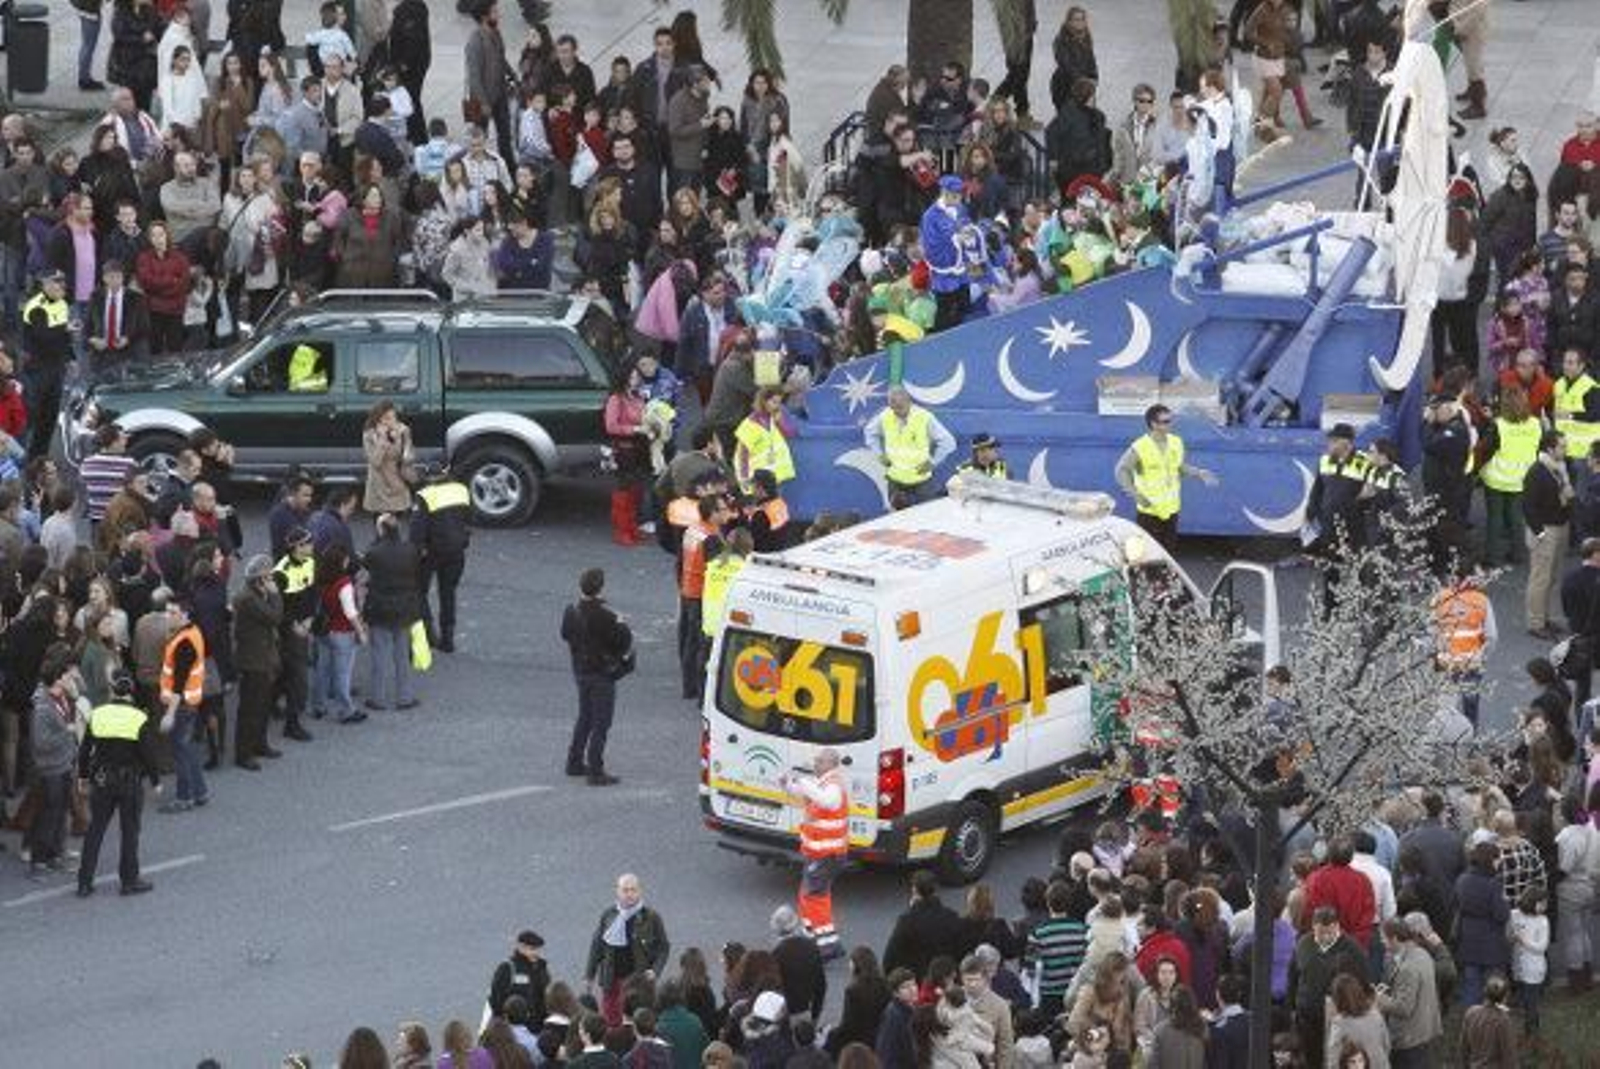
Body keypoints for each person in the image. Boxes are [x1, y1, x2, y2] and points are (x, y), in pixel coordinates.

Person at [75, 670, 159, 896]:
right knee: (129, 831)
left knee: (96, 830)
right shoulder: (139, 717)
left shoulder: (98, 714)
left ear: (112, 688)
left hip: (102, 780)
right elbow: (148, 754)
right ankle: (129, 881)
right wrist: (156, 780)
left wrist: (83, 777)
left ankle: (84, 882)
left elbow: (85, 751)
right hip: (129, 782)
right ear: (131, 690)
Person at [777, 748, 851, 963]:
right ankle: (813, 939)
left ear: (830, 763)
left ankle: (826, 946)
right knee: (810, 896)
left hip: (826, 854)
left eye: (819, 761)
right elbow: (807, 795)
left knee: (813, 897)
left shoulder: (833, 786)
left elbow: (826, 801)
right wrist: (788, 784)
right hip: (820, 853)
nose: (815, 763)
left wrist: (804, 782)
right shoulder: (822, 785)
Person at [561, 567, 632, 786]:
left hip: (580, 669)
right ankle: (595, 769)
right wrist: (621, 623)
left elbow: (565, 634)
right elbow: (623, 641)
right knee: (601, 722)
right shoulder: (606, 616)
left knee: (585, 716)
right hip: (601, 673)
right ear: (600, 588)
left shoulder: (571, 610)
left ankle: (574, 761)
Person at [1114, 404, 1218, 550]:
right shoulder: (1140, 447)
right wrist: (1135, 493)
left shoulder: (1176, 442)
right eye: (1165, 422)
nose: (1170, 425)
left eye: (1170, 420)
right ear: (1153, 424)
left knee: (1168, 551)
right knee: (1148, 553)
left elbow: (1179, 467)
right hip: (1149, 511)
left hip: (1171, 509)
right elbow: (1121, 470)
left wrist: (1199, 473)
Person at [1287, 907, 1369, 1068]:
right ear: (1313, 927)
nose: (1325, 937)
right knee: (1309, 1059)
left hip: (1339, 1021)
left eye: (1330, 932)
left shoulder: (1353, 949)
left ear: (1337, 926)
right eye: (1320, 933)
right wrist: (1291, 1007)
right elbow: (1293, 978)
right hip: (1306, 1018)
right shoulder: (1303, 944)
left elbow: (1363, 984)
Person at [586, 873, 671, 1027]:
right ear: (617, 892)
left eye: (633, 890)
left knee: (638, 1026)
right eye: (625, 890)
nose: (629, 894)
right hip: (612, 982)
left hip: (638, 985)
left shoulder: (651, 917)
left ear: (640, 891)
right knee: (610, 1024)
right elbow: (597, 946)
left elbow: (664, 947)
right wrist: (589, 975)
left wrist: (655, 971)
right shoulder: (608, 915)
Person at [363, 512, 422, 713]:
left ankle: (377, 698)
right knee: (401, 654)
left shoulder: (375, 552)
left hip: (380, 607)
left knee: (379, 654)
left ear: (381, 530)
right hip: (404, 607)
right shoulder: (410, 550)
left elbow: (367, 563)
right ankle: (404, 697)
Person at [411, 462, 472, 654]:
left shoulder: (425, 495)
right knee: (448, 593)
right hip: (456, 551)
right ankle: (448, 639)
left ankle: (429, 635)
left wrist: (415, 552)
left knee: (420, 592)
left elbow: (417, 530)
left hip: (431, 552)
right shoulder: (461, 490)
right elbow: (469, 519)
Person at [865, 386, 957, 509]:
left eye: (900, 406)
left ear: (909, 401)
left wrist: (933, 462)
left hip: (921, 483)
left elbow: (949, 442)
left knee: (924, 520)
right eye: (893, 407)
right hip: (896, 482)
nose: (897, 411)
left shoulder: (924, 417)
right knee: (898, 521)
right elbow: (869, 433)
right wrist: (879, 454)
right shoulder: (885, 416)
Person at [232, 554, 281, 771]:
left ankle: (259, 744)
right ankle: (243, 753)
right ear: (259, 579)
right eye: (268, 576)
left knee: (262, 705)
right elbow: (274, 617)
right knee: (250, 709)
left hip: (263, 658)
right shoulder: (249, 599)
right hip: (253, 661)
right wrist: (275, 596)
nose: (271, 580)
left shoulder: (254, 594)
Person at [158, 600, 209, 812]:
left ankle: (184, 797)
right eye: (167, 611)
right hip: (192, 701)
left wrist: (169, 714)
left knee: (180, 752)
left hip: (182, 705)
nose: (167, 615)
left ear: (185, 615)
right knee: (189, 749)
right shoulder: (193, 632)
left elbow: (178, 683)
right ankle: (199, 791)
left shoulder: (183, 643)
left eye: (173, 612)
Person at [1522, 429, 1573, 639]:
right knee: (1540, 578)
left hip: (1560, 527)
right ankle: (1535, 622)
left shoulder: (1560, 468)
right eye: (1562, 446)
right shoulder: (1537, 472)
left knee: (1552, 577)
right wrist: (1540, 533)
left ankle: (1545, 617)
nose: (1566, 449)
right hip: (1545, 530)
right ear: (1550, 448)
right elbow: (1528, 506)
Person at [1432, 569, 1495, 729]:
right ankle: (1470, 738)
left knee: (1445, 708)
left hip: (1445, 662)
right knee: (1471, 705)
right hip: (1472, 661)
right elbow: (1492, 636)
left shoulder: (1439, 599)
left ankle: (1444, 740)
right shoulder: (1481, 600)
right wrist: (1482, 656)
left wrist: (1437, 654)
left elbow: (1431, 632)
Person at [272, 526, 317, 742]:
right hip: (289, 633)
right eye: (308, 543)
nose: (312, 546)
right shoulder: (281, 572)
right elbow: (279, 608)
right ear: (297, 547)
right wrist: (294, 626)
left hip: (304, 626)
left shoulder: (310, 562)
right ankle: (292, 724)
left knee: (285, 675)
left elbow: (312, 593)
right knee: (298, 679)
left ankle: (270, 703)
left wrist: (309, 619)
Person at [21, 270, 72, 460]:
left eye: (62, 281)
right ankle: (21, 455)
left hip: (57, 366)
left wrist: (71, 357)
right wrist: (64, 328)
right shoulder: (35, 306)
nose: (61, 286)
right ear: (45, 285)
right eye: (56, 282)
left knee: (50, 416)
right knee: (33, 414)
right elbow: (43, 337)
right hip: (38, 367)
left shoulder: (63, 304)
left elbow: (64, 338)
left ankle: (40, 456)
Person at [1454, 841, 1511, 1009]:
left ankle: (1471, 1025)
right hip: (1491, 943)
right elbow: (1501, 915)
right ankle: (1493, 1025)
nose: (1499, 861)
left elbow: (1456, 904)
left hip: (1468, 939)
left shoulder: (1462, 880)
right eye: (1497, 858)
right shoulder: (1493, 884)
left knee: (1471, 987)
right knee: (1495, 988)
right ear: (1489, 860)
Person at [1560, 537, 1600, 708]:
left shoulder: (1569, 577)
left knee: (1582, 687)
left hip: (1579, 635)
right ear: (1596, 555)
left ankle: (1583, 726)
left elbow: (1566, 608)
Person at [363, 401, 415, 516]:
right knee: (380, 527)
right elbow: (375, 462)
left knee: (396, 527)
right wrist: (383, 439)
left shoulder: (403, 431)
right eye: (387, 418)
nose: (392, 421)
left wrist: (405, 448)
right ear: (379, 419)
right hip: (378, 487)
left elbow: (410, 457)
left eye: (394, 417)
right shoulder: (369, 434)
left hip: (398, 484)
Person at [489, 929, 551, 1024]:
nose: (536, 953)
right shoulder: (507, 968)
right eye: (532, 949)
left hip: (539, 1028)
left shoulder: (542, 969)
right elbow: (495, 1000)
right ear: (520, 947)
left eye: (538, 949)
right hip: (513, 1028)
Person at [1458, 975, 1517, 1066]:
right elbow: (1508, 1055)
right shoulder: (1503, 1020)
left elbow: (1463, 1048)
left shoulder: (1471, 1012)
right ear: (1505, 997)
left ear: (1485, 992)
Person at [875, 969, 918, 1069]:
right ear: (895, 993)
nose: (912, 989)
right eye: (905, 987)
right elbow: (886, 1056)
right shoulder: (893, 1016)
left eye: (914, 984)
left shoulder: (912, 1009)